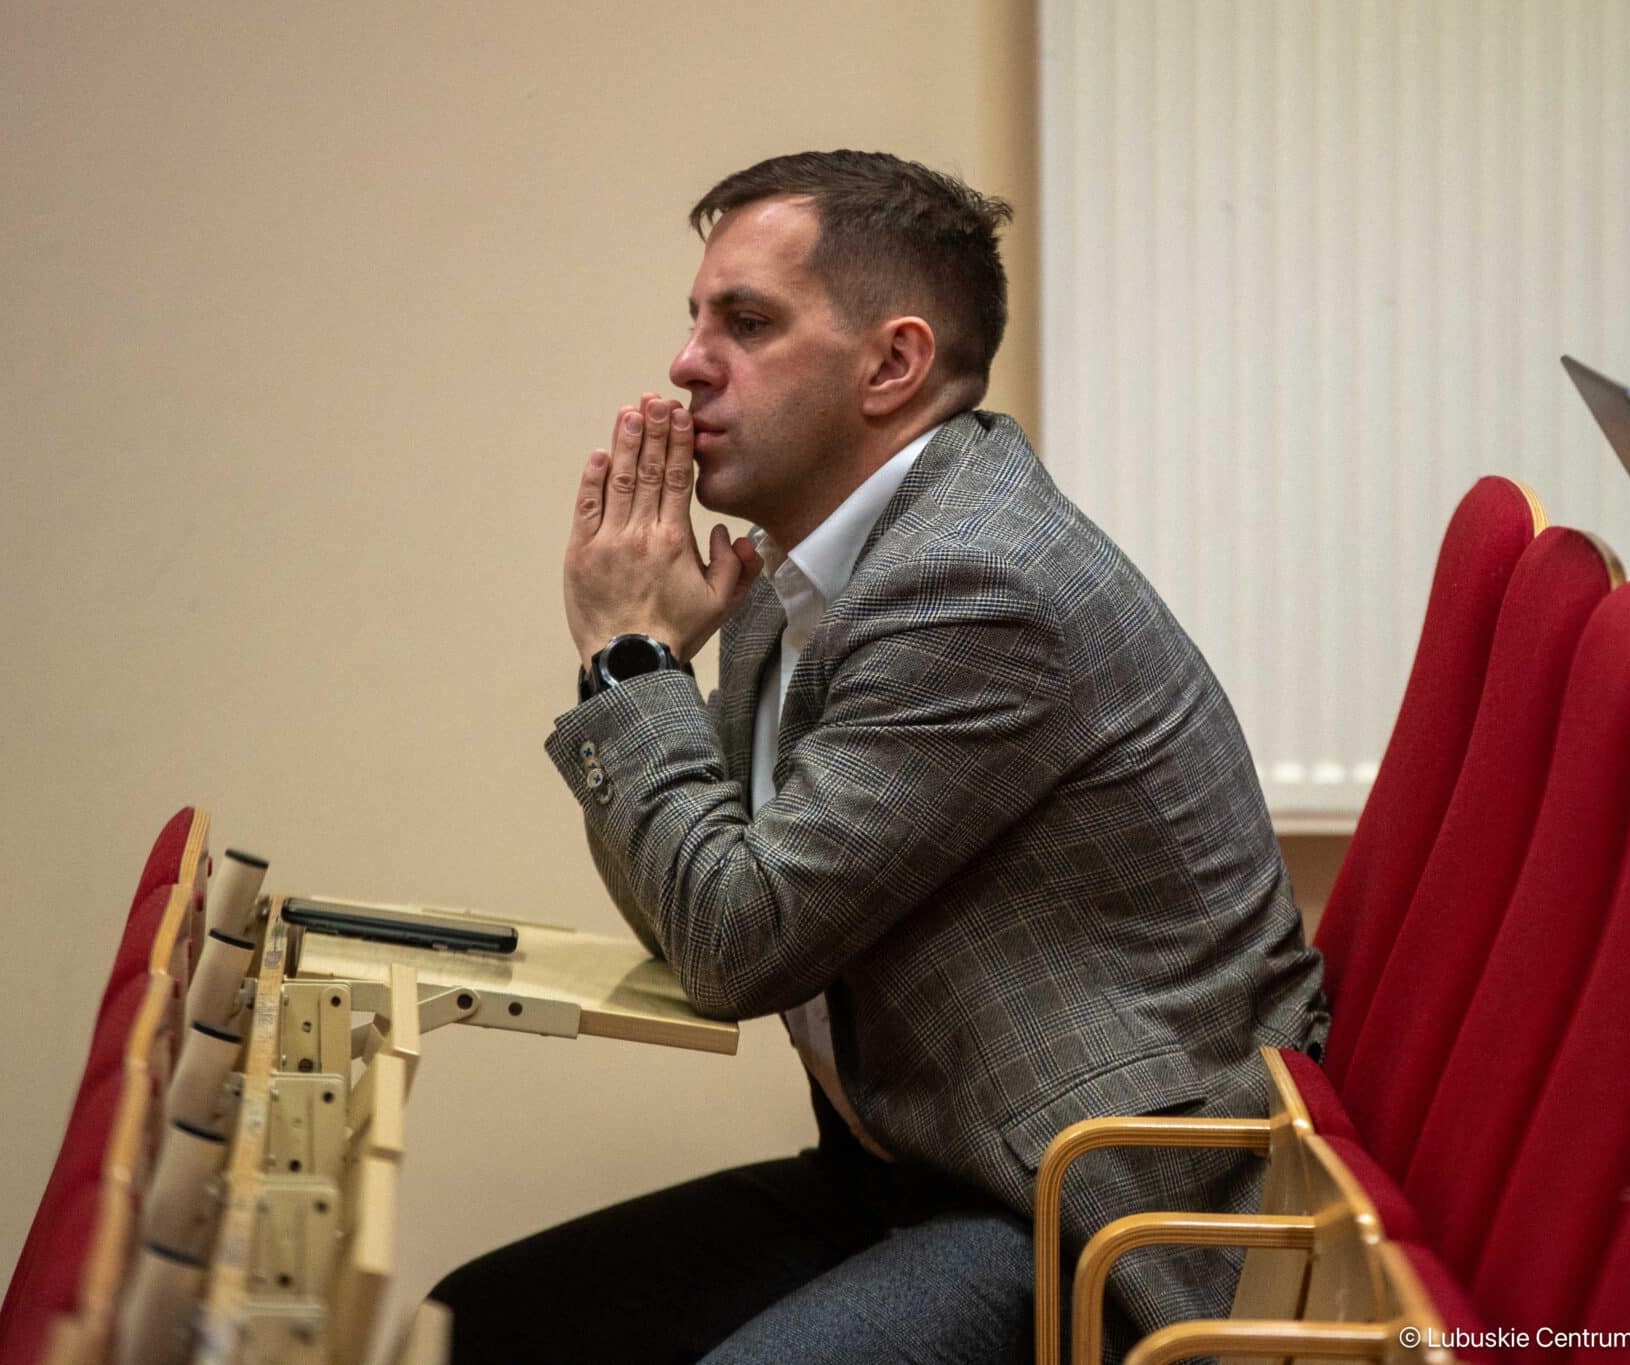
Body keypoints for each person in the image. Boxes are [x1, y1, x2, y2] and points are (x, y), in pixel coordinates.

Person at [431, 150, 1327, 1364]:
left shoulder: (971, 584)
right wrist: (644, 667)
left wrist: (627, 665)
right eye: (694, 319)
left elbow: (732, 941)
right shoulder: (789, 574)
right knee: (476, 1325)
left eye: (744, 322)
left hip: (1086, 1211)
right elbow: (687, 920)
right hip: (915, 1166)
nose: (689, 361)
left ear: (891, 365)